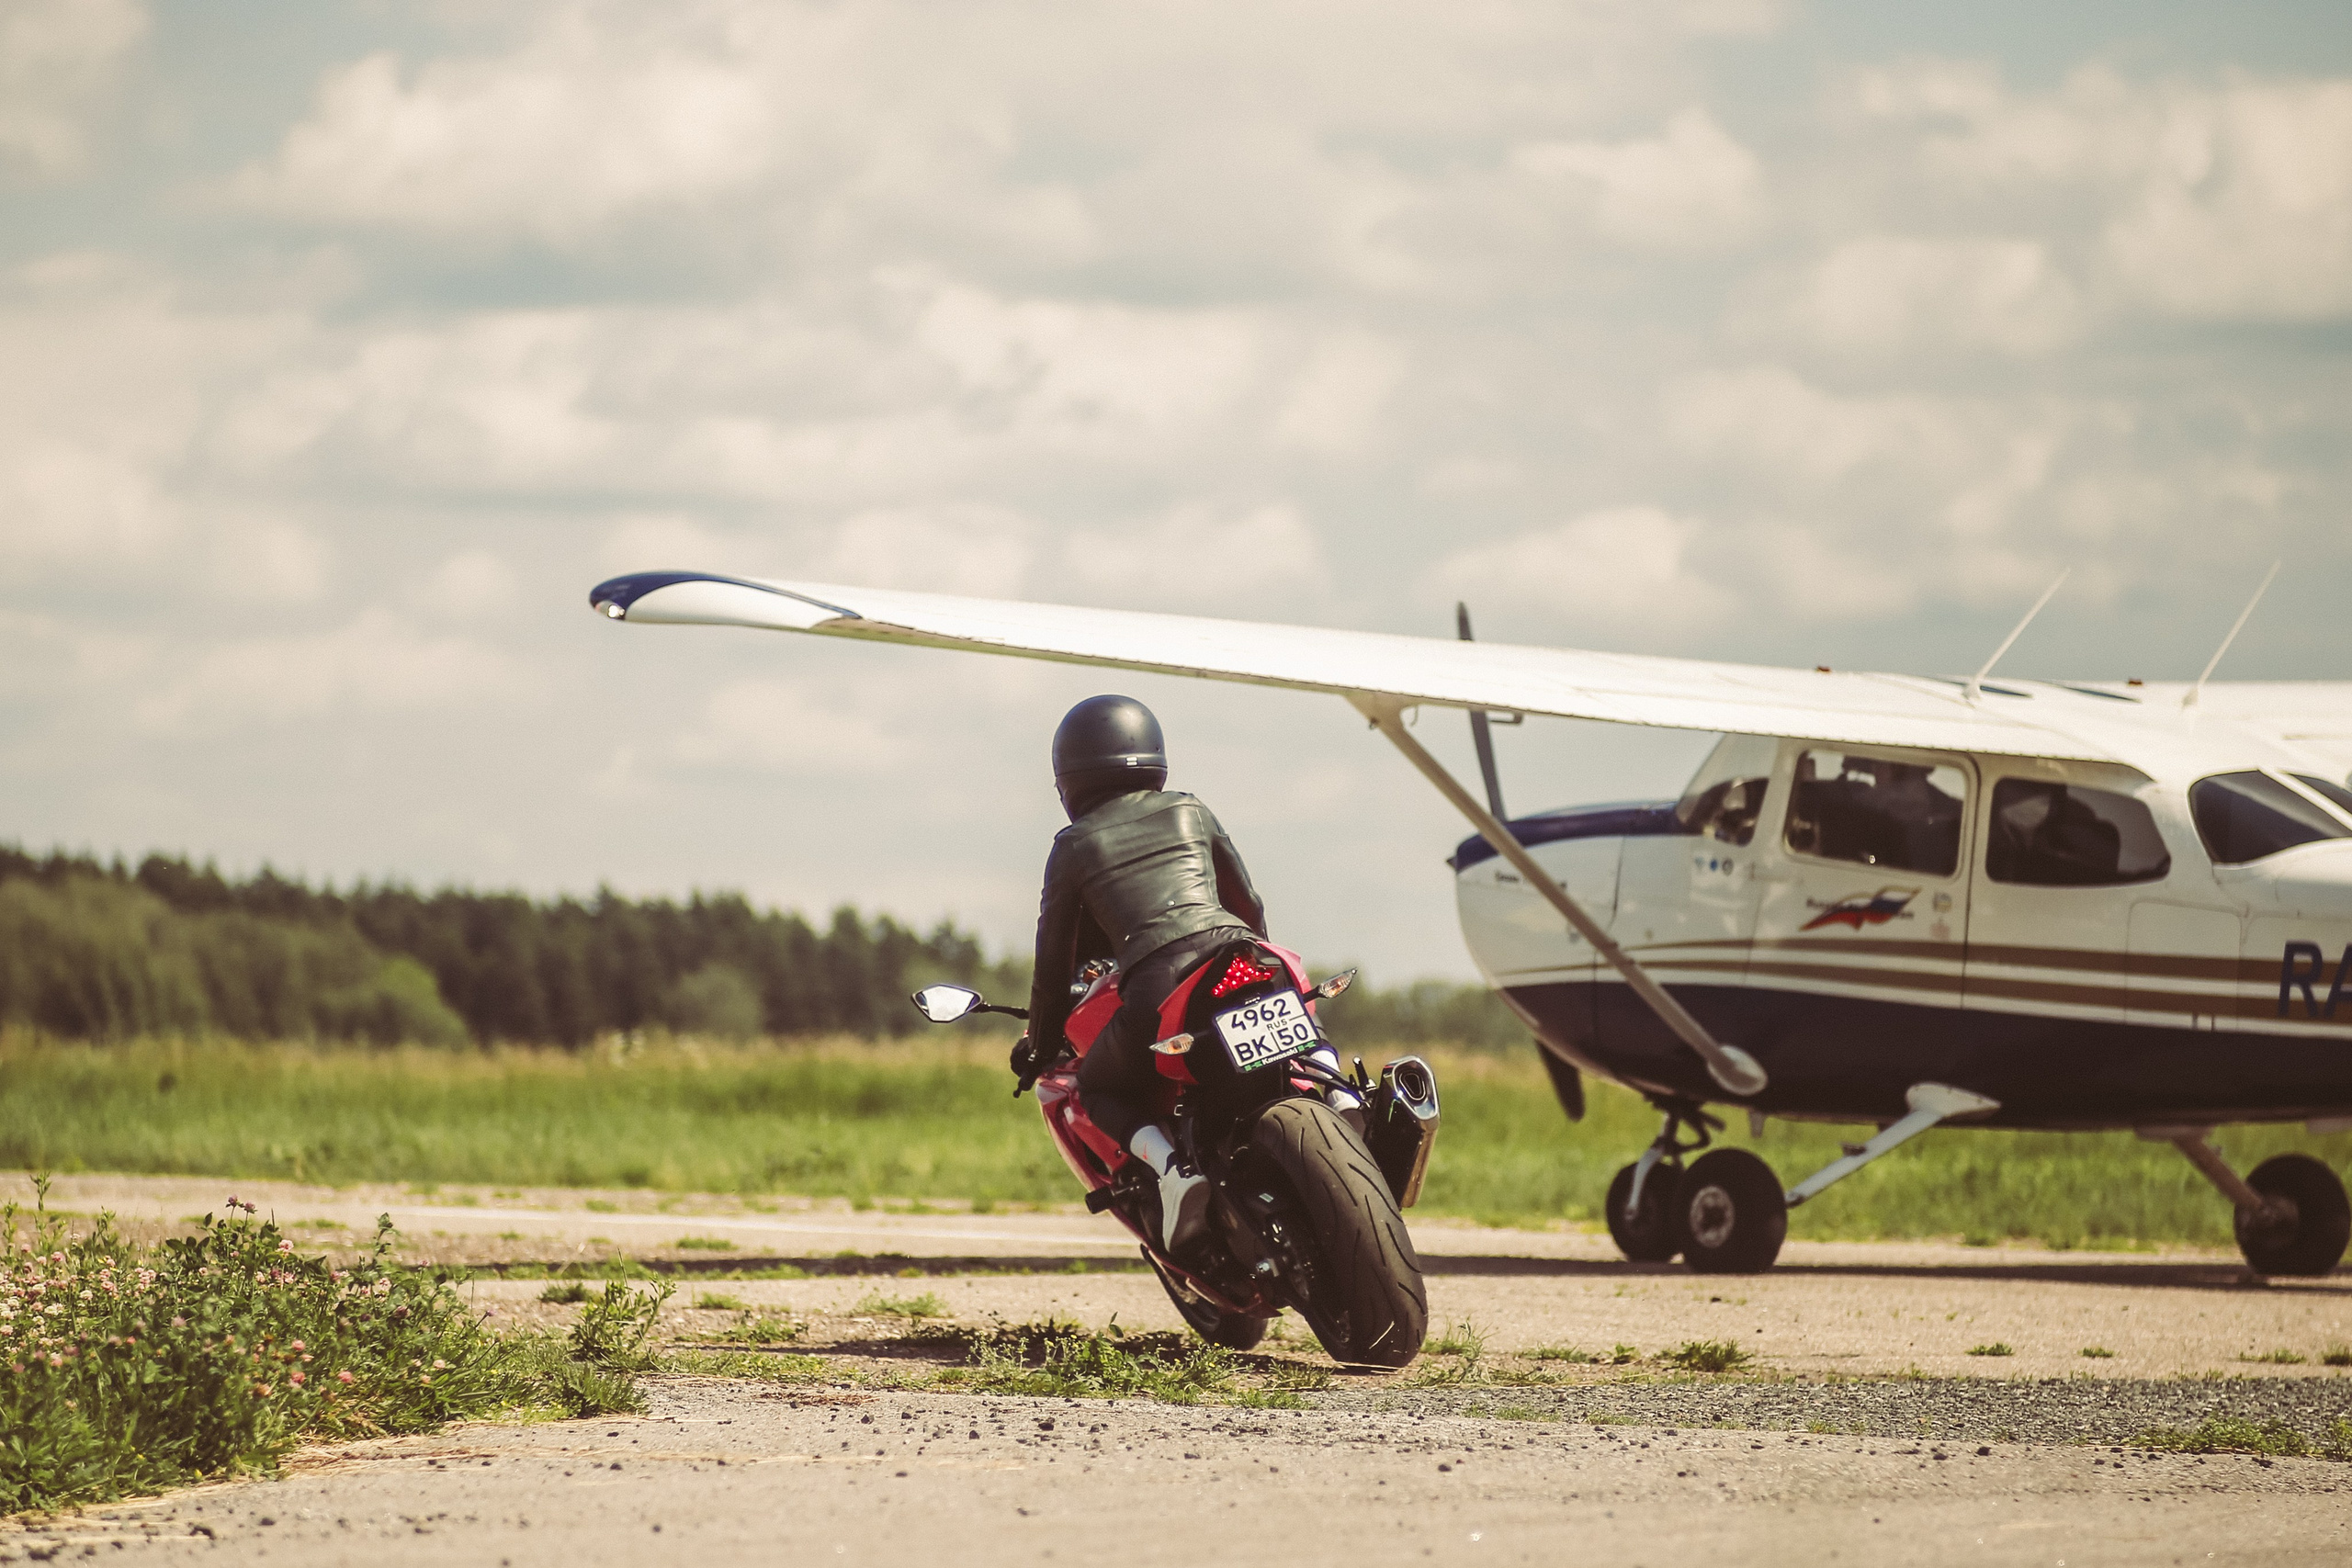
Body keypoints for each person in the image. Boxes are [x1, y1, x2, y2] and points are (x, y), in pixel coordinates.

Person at [1016, 694, 1266, 1251]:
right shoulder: (1190, 809)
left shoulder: (1074, 844)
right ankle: (1341, 1095)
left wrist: (1039, 1045)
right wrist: (1256, 960)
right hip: (1240, 952)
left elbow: (1053, 965)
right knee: (1295, 1022)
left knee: (1098, 1087)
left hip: (1159, 976)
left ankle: (1176, 1172)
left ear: (1069, 776)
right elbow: (1246, 902)